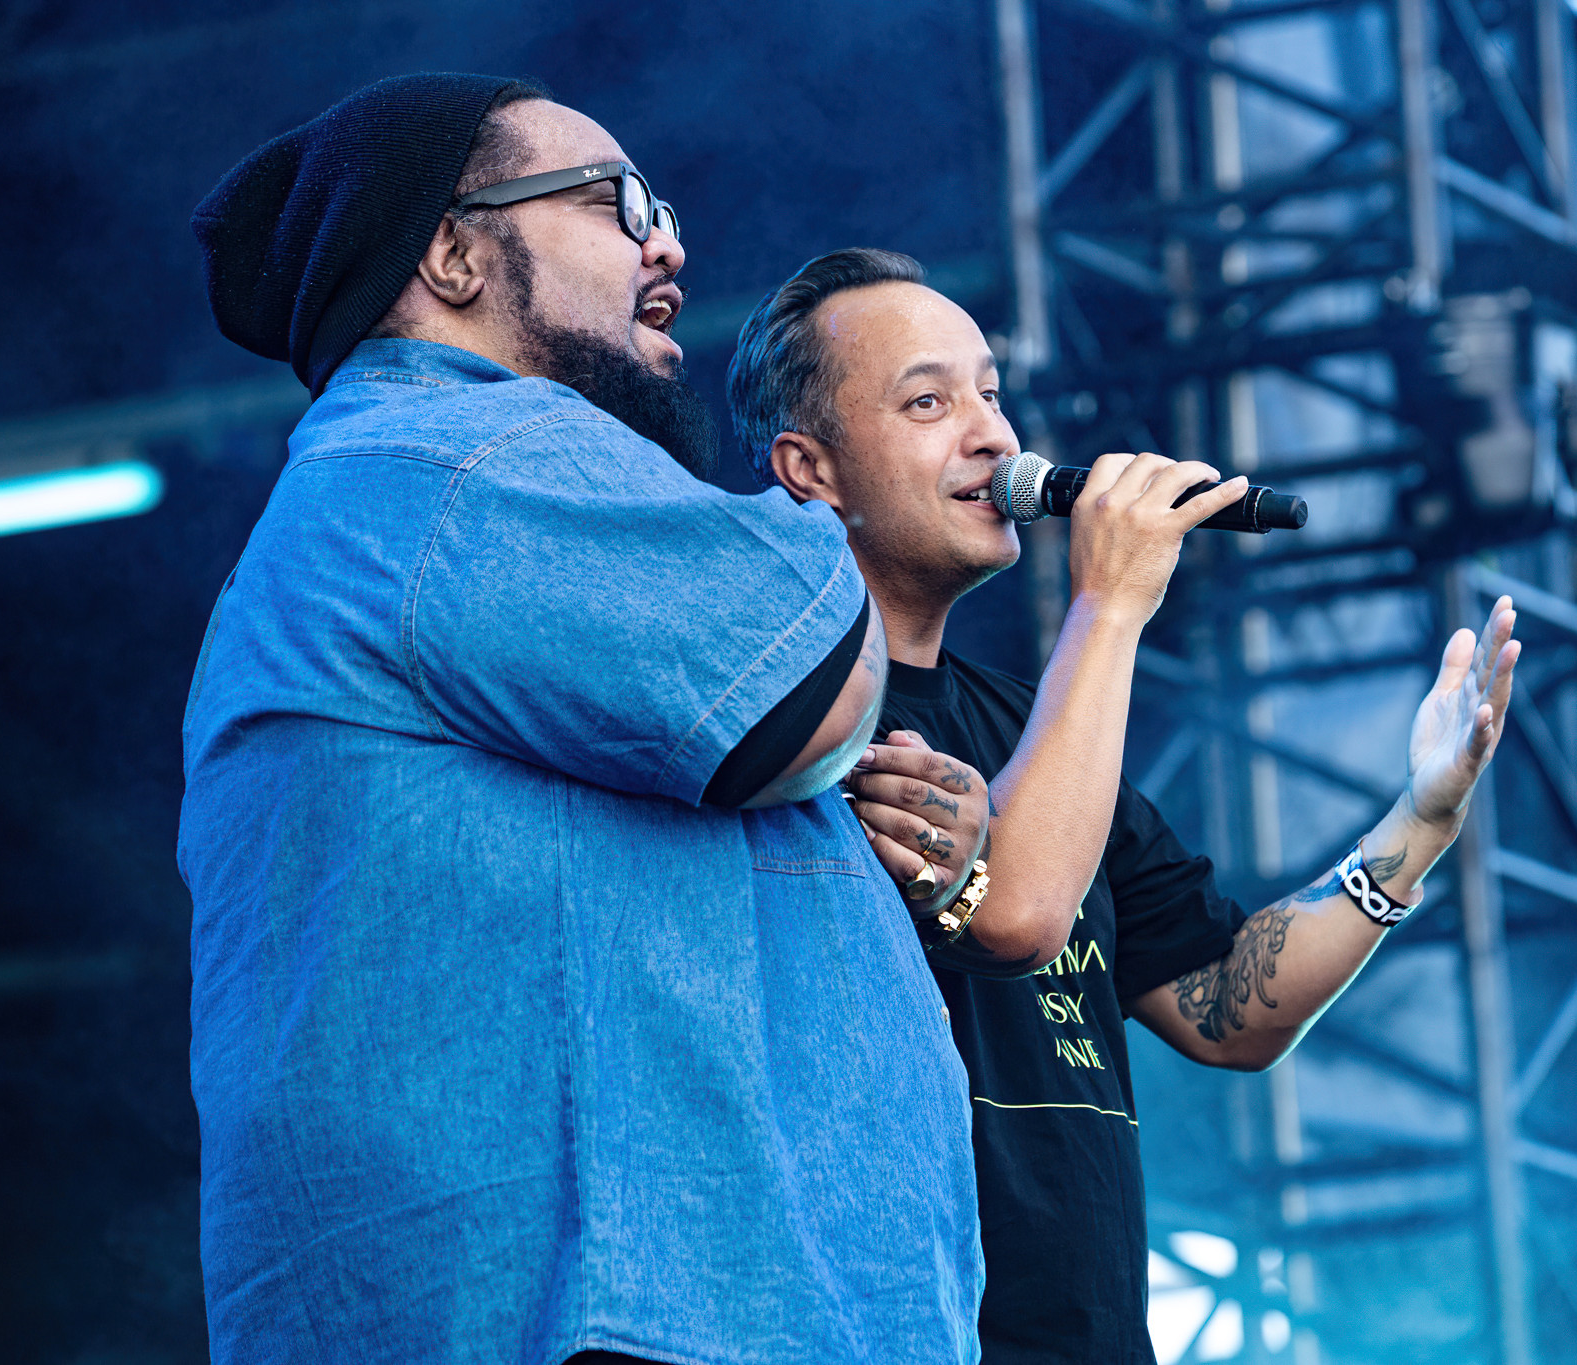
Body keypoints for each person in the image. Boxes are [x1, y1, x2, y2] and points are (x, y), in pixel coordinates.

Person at [180, 81, 993, 1365]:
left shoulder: (448, 493)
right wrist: (838, 511)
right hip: (618, 1322)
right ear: (452, 256)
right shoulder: (456, 458)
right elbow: (804, 684)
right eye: (618, 202)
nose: (666, 243)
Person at [726, 248, 1521, 1363]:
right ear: (810, 468)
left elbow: (1227, 1007)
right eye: (928, 402)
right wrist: (1109, 602)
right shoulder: (776, 711)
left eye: (991, 393)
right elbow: (1015, 912)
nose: (993, 436)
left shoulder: (1033, 724)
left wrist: (1421, 819)